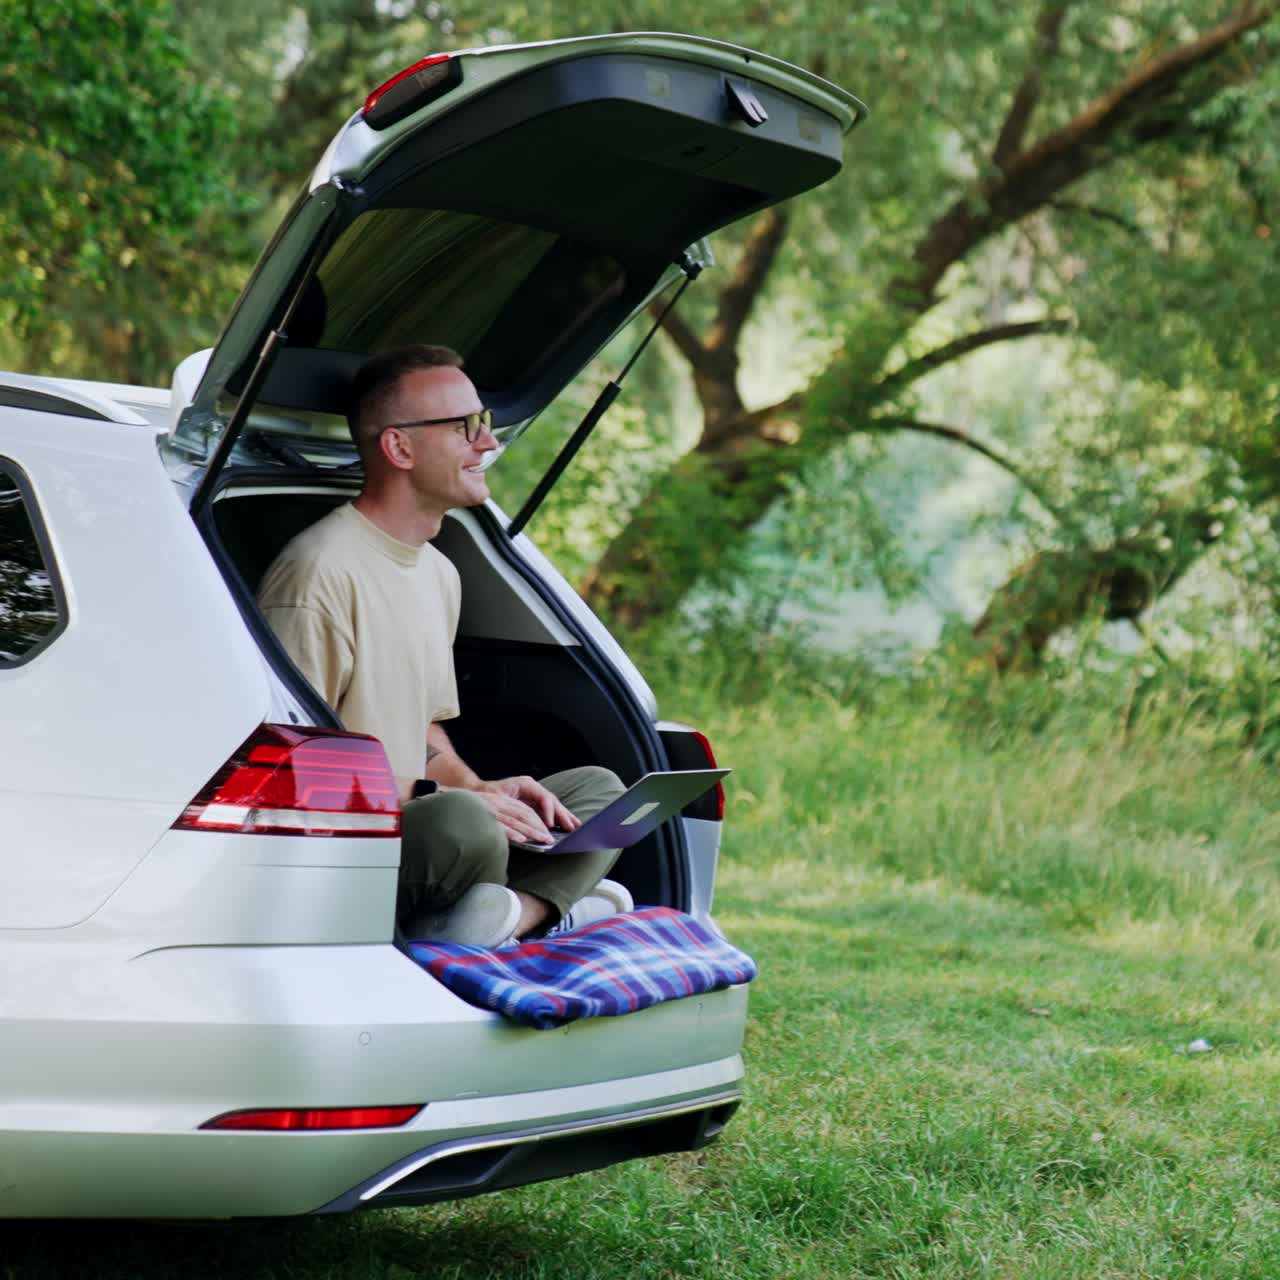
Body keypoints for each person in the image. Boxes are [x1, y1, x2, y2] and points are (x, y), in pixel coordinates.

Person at [256, 344, 629, 947]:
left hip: (436, 821)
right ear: (399, 447)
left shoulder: (439, 573)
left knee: (604, 795)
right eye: (464, 428)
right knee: (460, 822)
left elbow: (425, 734)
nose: (486, 444)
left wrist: (483, 788)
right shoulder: (318, 573)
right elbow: (301, 775)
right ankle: (542, 912)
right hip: (363, 846)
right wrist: (457, 802)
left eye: (482, 424)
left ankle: (518, 913)